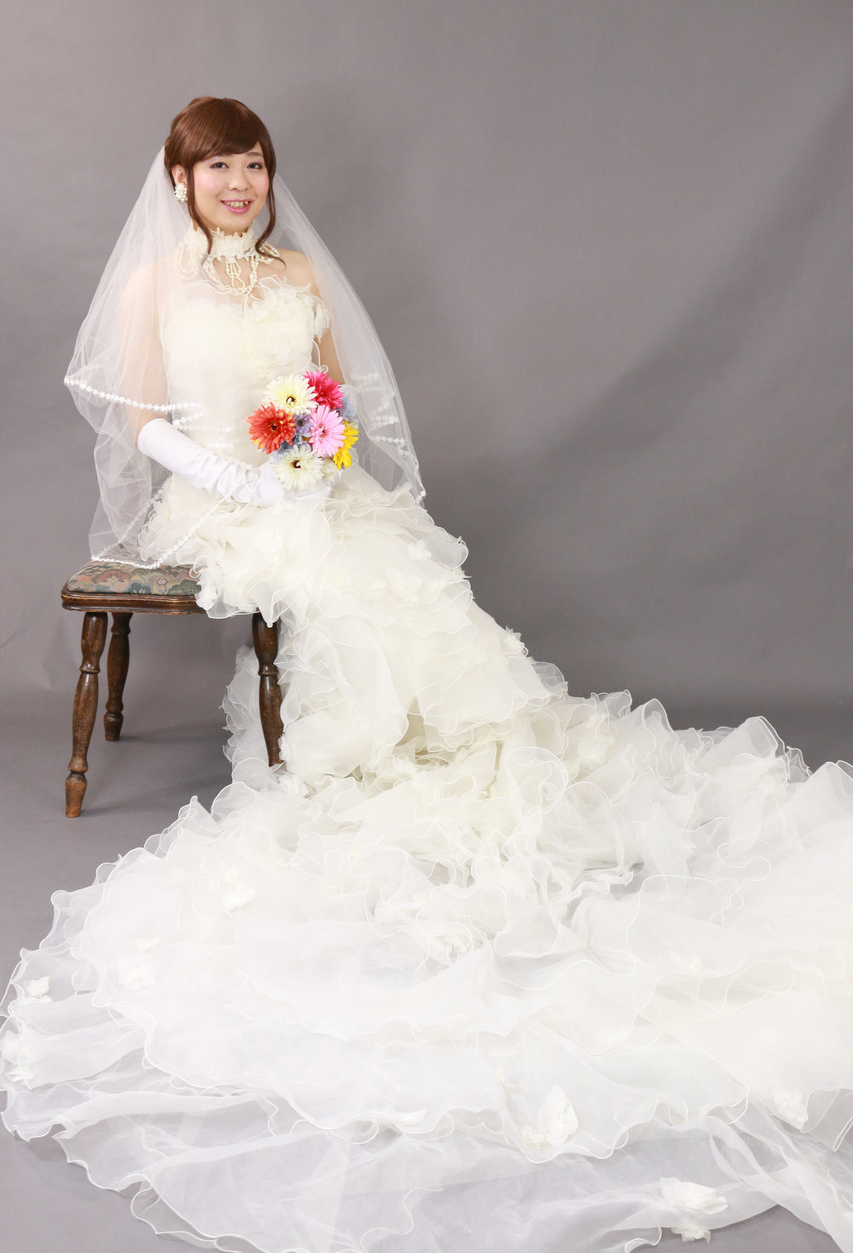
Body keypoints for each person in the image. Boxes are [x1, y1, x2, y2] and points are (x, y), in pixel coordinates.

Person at [2, 95, 853, 1253]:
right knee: (333, 575)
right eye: (218, 170)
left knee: (395, 567)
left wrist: (317, 445)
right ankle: (356, 753)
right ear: (180, 181)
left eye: (253, 165)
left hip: (300, 477)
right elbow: (143, 417)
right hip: (215, 491)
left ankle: (437, 744)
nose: (240, 186)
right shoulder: (156, 285)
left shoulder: (299, 271)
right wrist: (236, 475)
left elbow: (334, 397)